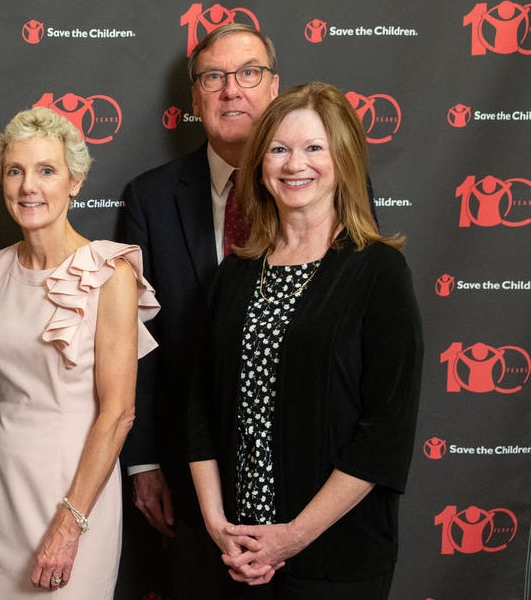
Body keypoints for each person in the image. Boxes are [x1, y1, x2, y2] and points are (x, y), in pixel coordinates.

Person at [187, 82, 423, 598]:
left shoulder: (378, 271)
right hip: (235, 554)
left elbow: (385, 431)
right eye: (279, 149)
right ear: (260, 164)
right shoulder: (235, 275)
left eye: (314, 148)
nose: (295, 164)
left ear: (343, 160)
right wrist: (217, 526)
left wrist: (290, 539)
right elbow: (199, 408)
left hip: (335, 558)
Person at [115, 23, 280, 599]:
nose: (232, 90)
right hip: (189, 475)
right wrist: (143, 464)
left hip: (302, 471)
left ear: (274, 88)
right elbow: (137, 337)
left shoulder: (323, 189)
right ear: (195, 99)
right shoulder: (150, 198)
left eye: (249, 73)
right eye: (214, 77)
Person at [0, 107, 159, 599]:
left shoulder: (109, 273)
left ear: (75, 181)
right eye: (16, 171)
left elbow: (118, 413)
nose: (29, 186)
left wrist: (70, 521)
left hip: (75, 494)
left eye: (46, 170)